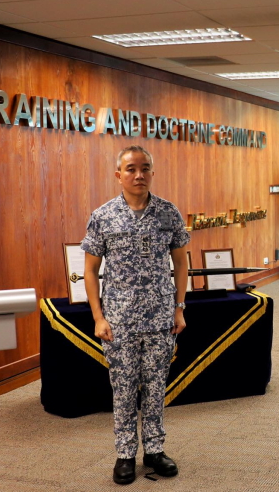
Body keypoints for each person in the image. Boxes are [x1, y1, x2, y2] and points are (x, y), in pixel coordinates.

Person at [81, 145, 190, 485]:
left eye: (144, 168)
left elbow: (182, 262)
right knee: (124, 389)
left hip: (160, 318)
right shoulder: (103, 216)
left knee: (156, 388)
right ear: (119, 175)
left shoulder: (168, 213)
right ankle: (125, 454)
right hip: (119, 322)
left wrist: (179, 307)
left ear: (152, 173)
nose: (138, 174)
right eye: (130, 169)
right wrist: (98, 316)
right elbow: (90, 270)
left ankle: (154, 451)